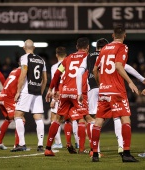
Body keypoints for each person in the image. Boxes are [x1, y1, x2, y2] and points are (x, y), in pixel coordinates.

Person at [77, 38, 145, 156]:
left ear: (96, 47)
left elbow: (79, 73)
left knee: (93, 119)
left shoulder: (88, 57)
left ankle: (95, 151)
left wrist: (79, 92)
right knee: (118, 117)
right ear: (106, 46)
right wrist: (142, 79)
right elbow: (126, 67)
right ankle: (121, 146)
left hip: (94, 88)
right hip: (111, 88)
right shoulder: (110, 53)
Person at [91, 25, 139, 162]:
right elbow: (118, 66)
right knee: (125, 119)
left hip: (104, 90)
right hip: (117, 90)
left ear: (112, 35)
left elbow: (95, 70)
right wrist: (130, 82)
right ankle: (127, 154)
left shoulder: (104, 48)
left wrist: (101, 84)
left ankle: (95, 154)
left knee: (98, 121)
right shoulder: (123, 47)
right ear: (125, 36)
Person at [44, 37, 94, 156]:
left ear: (77, 47)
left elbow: (57, 74)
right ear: (87, 48)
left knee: (58, 119)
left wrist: (52, 89)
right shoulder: (88, 57)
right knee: (86, 118)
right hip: (78, 92)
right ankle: (88, 150)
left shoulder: (68, 58)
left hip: (65, 92)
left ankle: (48, 148)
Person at [10, 39, 47, 152]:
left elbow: (23, 74)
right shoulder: (41, 60)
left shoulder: (24, 57)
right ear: (34, 47)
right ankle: (40, 145)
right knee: (38, 118)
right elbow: (45, 79)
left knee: (17, 115)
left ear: (24, 47)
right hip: (37, 90)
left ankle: (22, 144)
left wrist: (18, 91)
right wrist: (41, 91)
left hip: (27, 90)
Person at [50, 47, 79, 149]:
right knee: (74, 118)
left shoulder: (55, 67)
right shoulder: (71, 61)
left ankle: (58, 143)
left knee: (55, 118)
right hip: (74, 91)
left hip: (61, 93)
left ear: (57, 55)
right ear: (66, 54)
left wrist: (53, 98)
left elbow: (55, 79)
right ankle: (78, 142)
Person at [0, 66, 23, 150]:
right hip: (8, 98)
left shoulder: (14, 70)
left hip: (1, 96)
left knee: (8, 119)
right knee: (21, 119)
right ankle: (17, 145)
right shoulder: (23, 71)